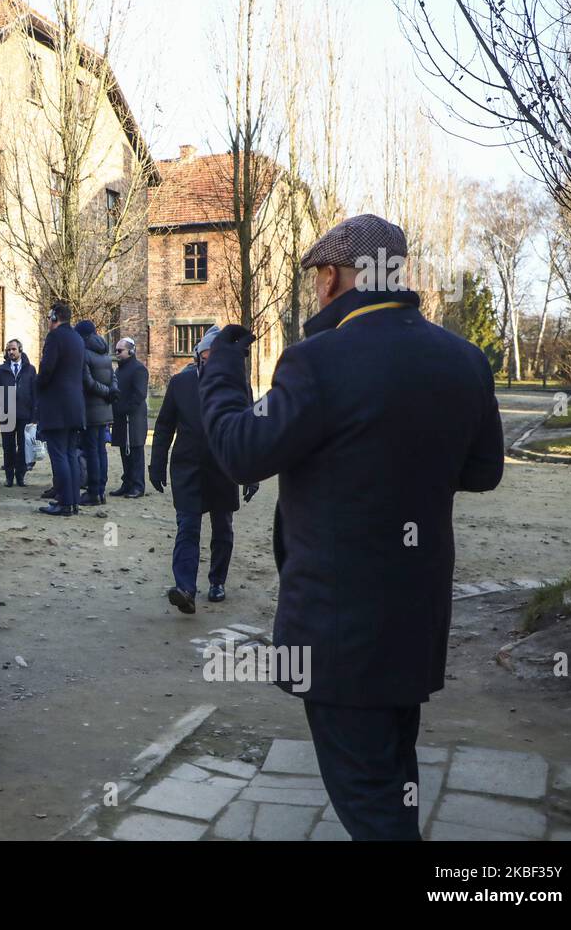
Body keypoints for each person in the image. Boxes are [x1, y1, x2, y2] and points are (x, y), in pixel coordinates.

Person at [199, 214, 504, 841]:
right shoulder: (463, 359)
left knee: (368, 799)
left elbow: (240, 453)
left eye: (317, 278)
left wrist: (221, 370)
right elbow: (484, 470)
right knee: (394, 769)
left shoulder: (317, 362)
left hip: (340, 630)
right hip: (415, 617)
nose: (315, 290)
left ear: (335, 278)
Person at [150, 325, 257, 615]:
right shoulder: (180, 384)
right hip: (187, 468)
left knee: (222, 527)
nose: (211, 362)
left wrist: (251, 471)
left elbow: (249, 428)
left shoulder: (236, 386)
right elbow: (163, 427)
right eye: (207, 356)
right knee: (188, 527)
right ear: (198, 357)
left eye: (217, 356)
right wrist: (157, 463)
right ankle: (185, 588)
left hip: (223, 468)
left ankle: (217, 581)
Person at [35, 302, 86, 516]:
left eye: (49, 318)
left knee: (59, 455)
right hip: (75, 405)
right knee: (70, 454)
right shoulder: (77, 338)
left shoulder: (55, 337)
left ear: (54, 317)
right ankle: (72, 502)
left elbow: (47, 369)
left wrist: (37, 385)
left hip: (57, 406)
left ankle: (64, 503)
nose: (48, 322)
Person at [74, 320, 116, 506]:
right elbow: (113, 379)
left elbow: (87, 382)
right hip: (105, 409)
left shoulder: (84, 354)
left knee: (92, 452)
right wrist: (110, 392)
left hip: (91, 410)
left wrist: (106, 392)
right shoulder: (105, 354)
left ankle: (93, 492)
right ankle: (100, 491)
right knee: (101, 451)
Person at [0, 340, 37, 487]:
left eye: (13, 349)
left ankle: (20, 476)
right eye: (8, 350)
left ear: (20, 350)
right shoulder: (1, 369)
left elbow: (35, 392)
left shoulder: (30, 369)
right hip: (6, 414)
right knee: (8, 446)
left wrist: (34, 414)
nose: (11, 352)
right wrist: (1, 401)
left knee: (23, 446)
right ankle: (9, 477)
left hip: (24, 413)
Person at [111, 338, 149, 497]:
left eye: (120, 351)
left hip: (133, 419)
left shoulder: (139, 369)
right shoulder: (119, 370)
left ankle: (138, 486)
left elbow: (139, 394)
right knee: (124, 451)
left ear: (130, 351)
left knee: (135, 452)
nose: (117, 353)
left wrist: (125, 409)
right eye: (116, 350)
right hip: (121, 417)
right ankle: (127, 483)